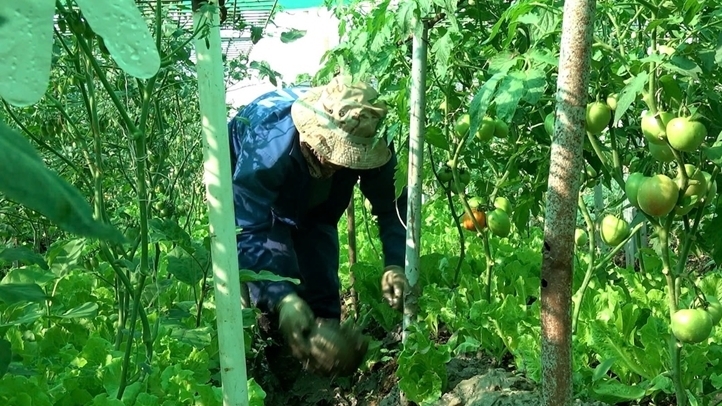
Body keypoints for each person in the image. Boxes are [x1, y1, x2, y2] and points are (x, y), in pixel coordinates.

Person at [227, 75, 409, 383]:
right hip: (262, 203)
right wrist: (282, 298)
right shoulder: (267, 143)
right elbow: (250, 224)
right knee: (274, 287)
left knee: (320, 280)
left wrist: (395, 262)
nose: (332, 161)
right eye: (329, 150)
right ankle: (277, 362)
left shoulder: (372, 139)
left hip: (318, 210)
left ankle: (319, 376)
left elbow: (394, 207)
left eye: (345, 158)